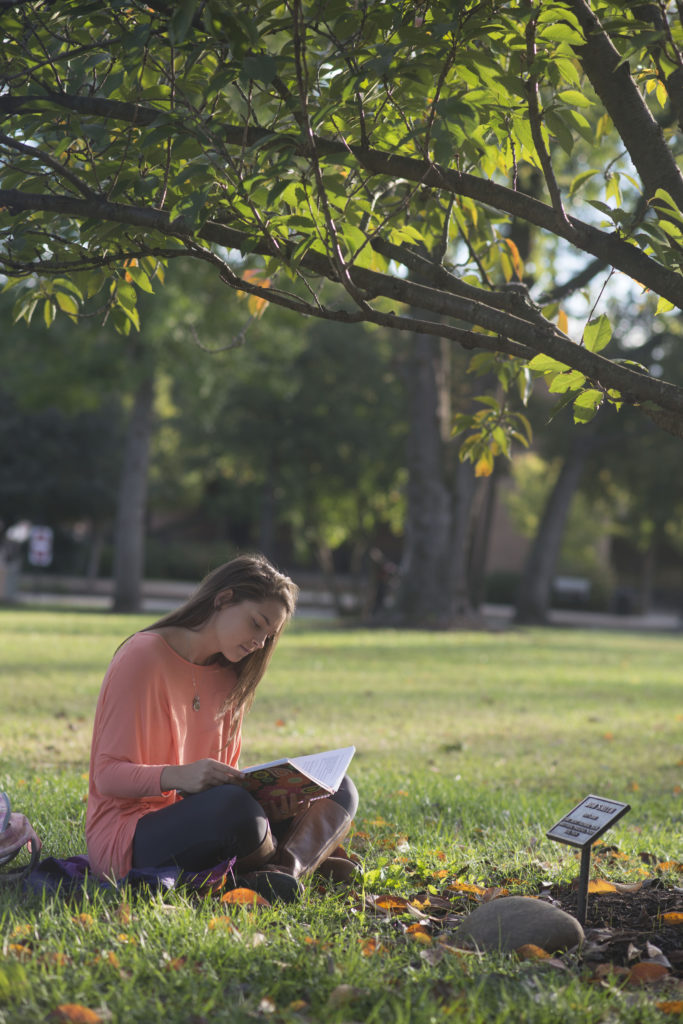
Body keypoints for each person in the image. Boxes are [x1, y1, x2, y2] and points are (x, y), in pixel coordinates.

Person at [86, 553, 358, 900]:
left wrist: (277, 799)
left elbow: (223, 780)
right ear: (223, 599)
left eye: (269, 635)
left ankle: (283, 872)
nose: (259, 643)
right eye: (256, 623)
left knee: (338, 787)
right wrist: (178, 775)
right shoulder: (143, 655)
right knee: (235, 809)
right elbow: (107, 775)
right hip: (127, 837)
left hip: (209, 821)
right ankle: (294, 861)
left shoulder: (231, 676)